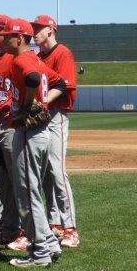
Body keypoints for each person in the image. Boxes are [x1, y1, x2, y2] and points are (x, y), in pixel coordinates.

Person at [0, 18, 66, 268]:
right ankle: (50, 243)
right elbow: (60, 83)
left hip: (29, 132)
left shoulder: (23, 59)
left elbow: (34, 79)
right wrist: (42, 103)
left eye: (7, 36)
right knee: (31, 192)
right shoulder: (35, 58)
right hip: (39, 132)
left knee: (27, 195)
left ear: (19, 39)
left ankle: (40, 254)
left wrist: (27, 105)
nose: (2, 39)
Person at [33, 15, 80, 248]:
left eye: (38, 28)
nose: (34, 32)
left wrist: (42, 102)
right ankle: (55, 223)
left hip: (56, 115)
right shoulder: (38, 57)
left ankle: (71, 228)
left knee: (58, 170)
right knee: (46, 172)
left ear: (50, 30)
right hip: (42, 117)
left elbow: (65, 85)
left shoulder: (62, 53)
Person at [0, 15, 25, 249]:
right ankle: (10, 228)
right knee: (2, 181)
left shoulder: (16, 60)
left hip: (10, 124)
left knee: (18, 179)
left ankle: (26, 229)